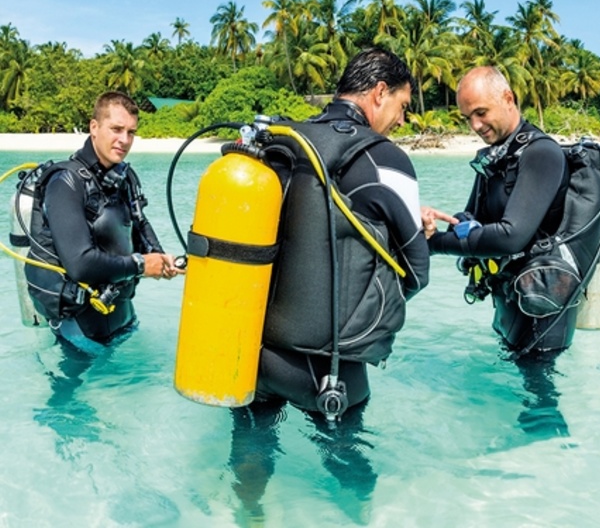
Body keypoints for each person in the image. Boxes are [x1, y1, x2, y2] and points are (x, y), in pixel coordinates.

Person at [230, 47, 431, 520]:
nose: (401, 119)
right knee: (348, 469)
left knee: (252, 455)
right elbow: (415, 271)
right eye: (402, 106)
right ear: (379, 93)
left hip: (256, 355)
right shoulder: (385, 157)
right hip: (330, 369)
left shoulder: (282, 142)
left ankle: (246, 517)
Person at [423, 65, 572, 355]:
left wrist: (433, 245)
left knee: (538, 395)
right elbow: (470, 217)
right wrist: (441, 223)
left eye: (481, 113)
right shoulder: (498, 156)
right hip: (509, 299)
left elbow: (510, 237)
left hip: (542, 309)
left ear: (508, 98)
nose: (475, 126)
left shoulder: (541, 153)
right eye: (468, 118)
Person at [25, 91, 181, 354]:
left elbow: (139, 225)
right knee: (70, 396)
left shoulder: (125, 177)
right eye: (117, 129)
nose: (125, 140)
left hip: (122, 317)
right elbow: (80, 264)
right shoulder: (66, 183)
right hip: (78, 328)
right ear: (94, 127)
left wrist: (162, 259)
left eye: (131, 132)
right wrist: (142, 265)